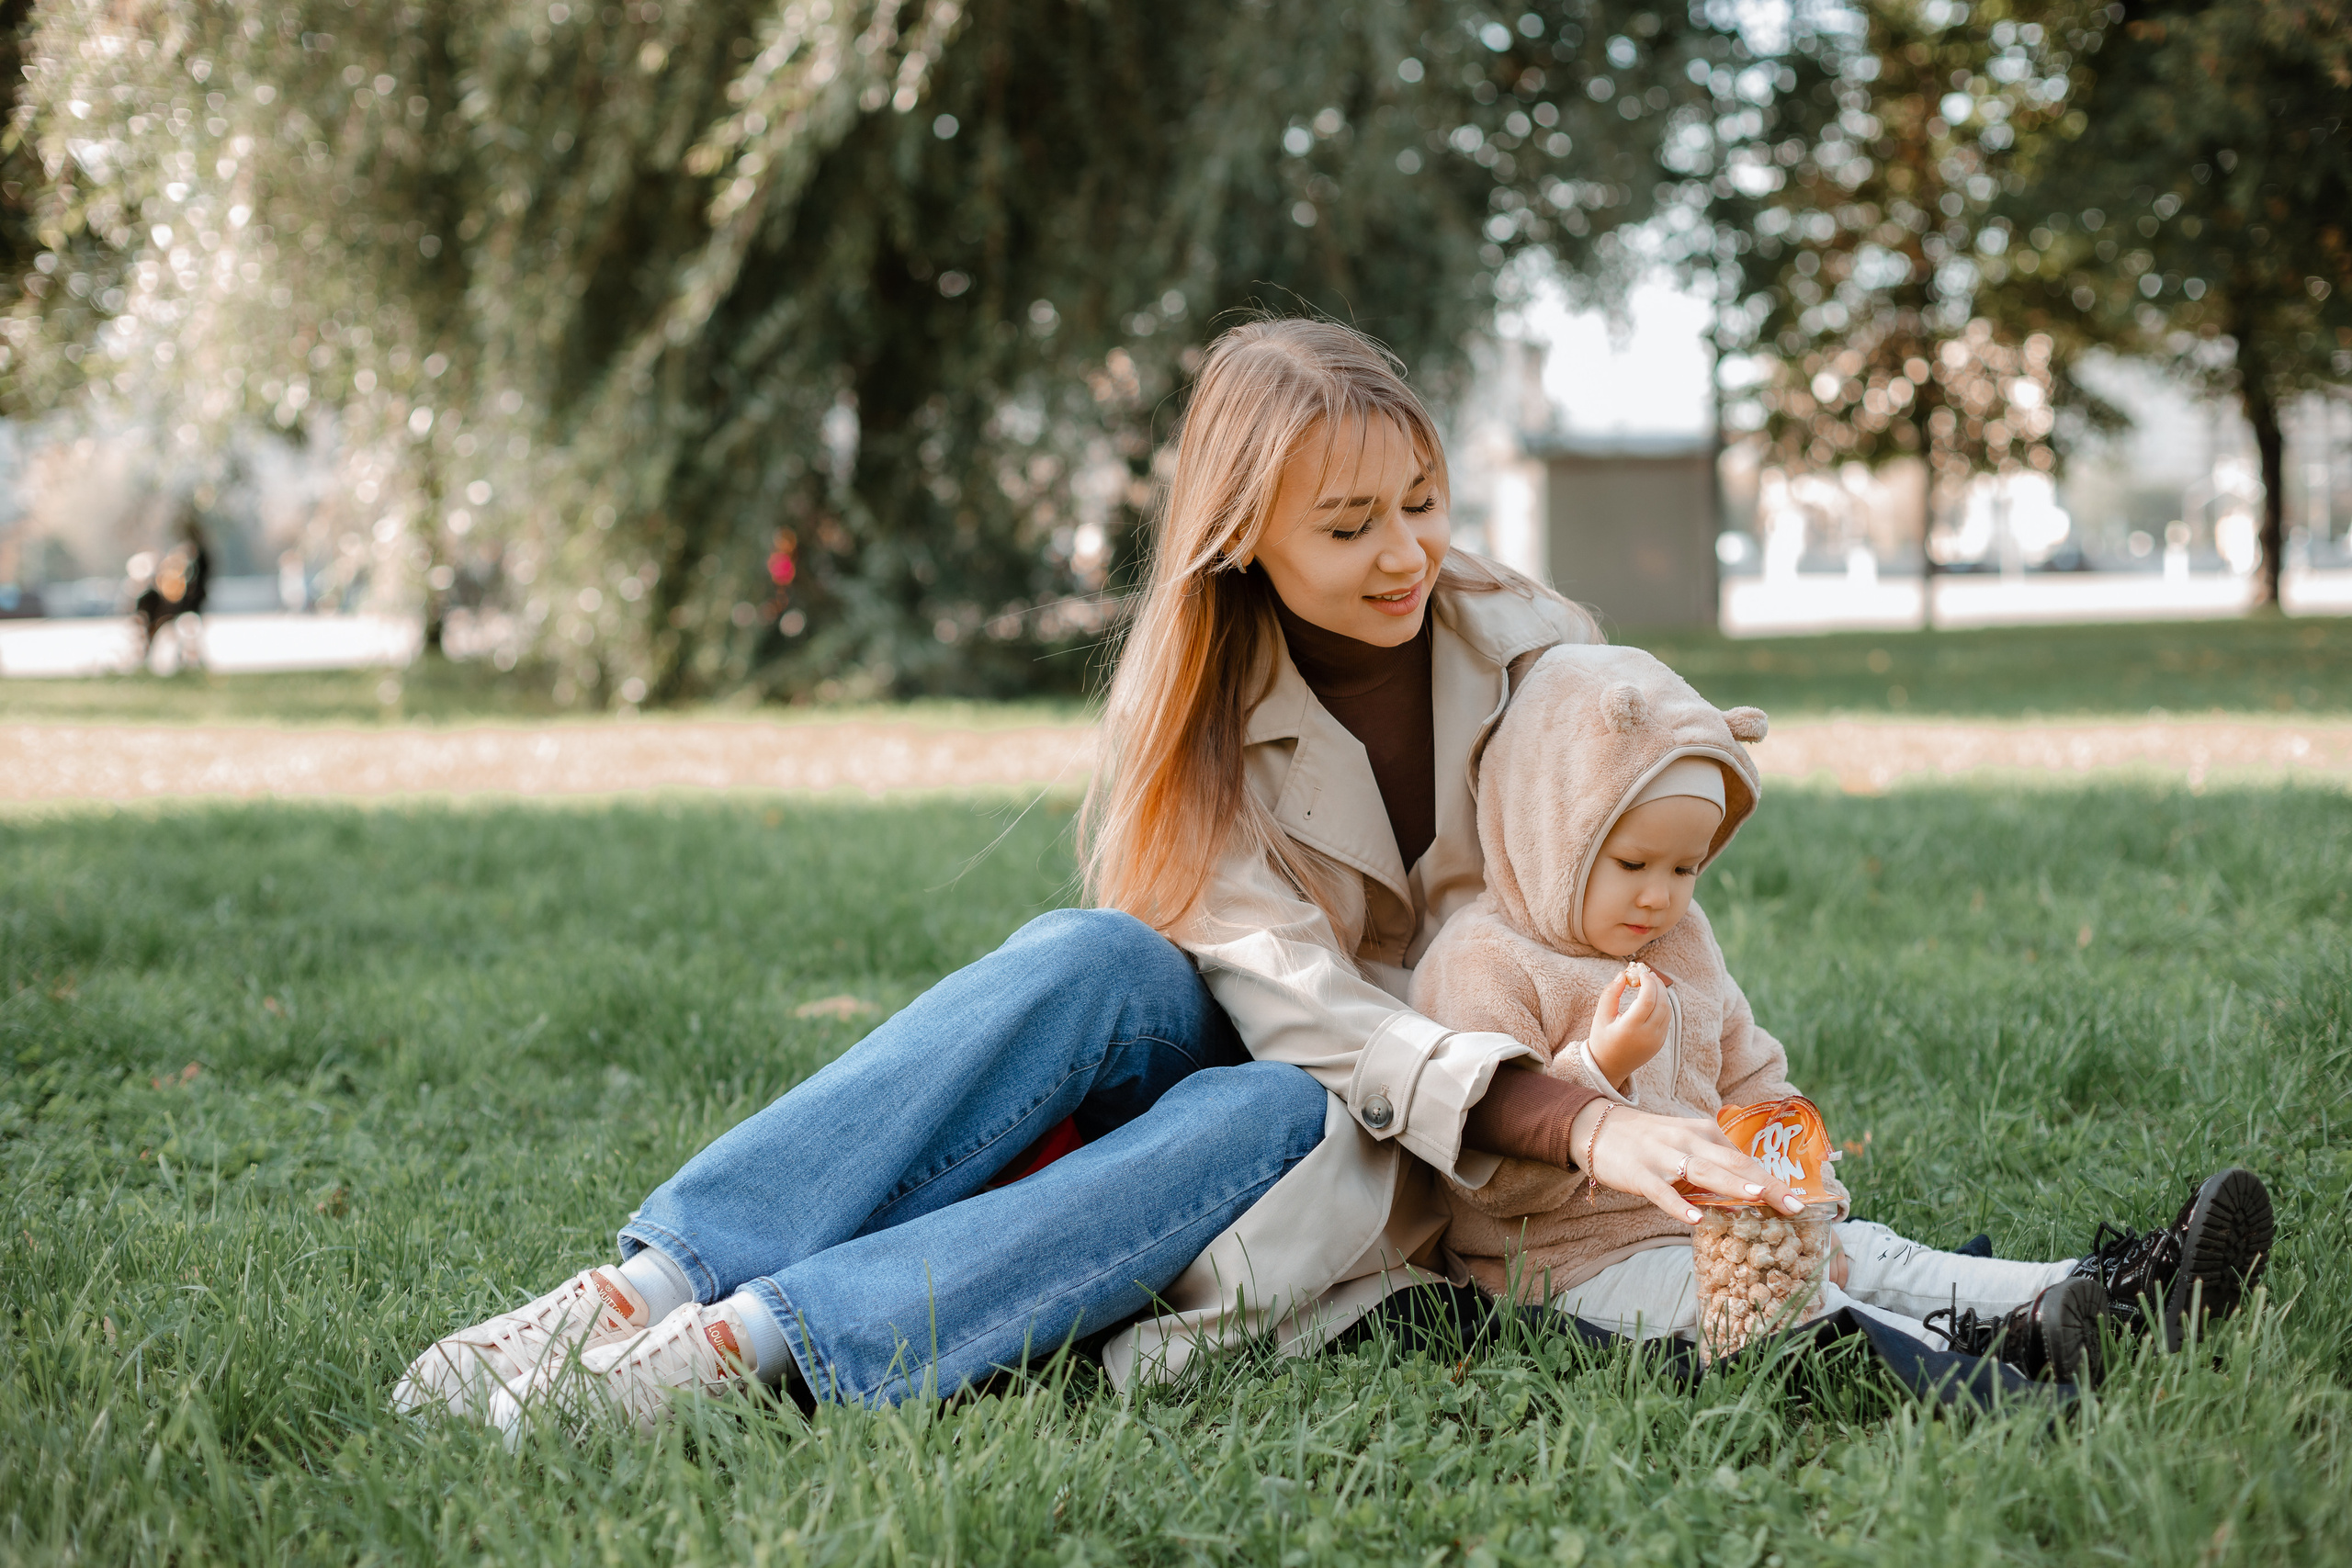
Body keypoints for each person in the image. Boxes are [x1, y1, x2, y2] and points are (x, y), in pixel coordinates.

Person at [394, 317, 1815, 1434]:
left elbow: (1629, 880)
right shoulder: (1188, 709)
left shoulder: (1531, 643)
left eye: (1423, 500)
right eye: (1348, 525)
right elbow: (1286, 990)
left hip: (1405, 1114)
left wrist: (1604, 1102)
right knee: (1091, 954)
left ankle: (746, 1344)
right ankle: (638, 1285)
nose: (1406, 553)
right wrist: (1572, 1120)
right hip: (1313, 1042)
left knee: (1274, 1105)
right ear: (1242, 531)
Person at [1411, 643, 2276, 1383]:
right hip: (1569, 1269)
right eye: (1632, 861)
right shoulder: (1481, 964)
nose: (1659, 896)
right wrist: (1599, 1064)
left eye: (1685, 869)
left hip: (1729, 1225)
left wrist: (1802, 1190)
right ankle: (1996, 1346)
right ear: (1545, 832)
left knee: (1872, 1253)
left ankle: (2111, 1286)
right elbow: (1477, 1164)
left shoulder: (1681, 944)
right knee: (1794, 1306)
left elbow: (1750, 1073)